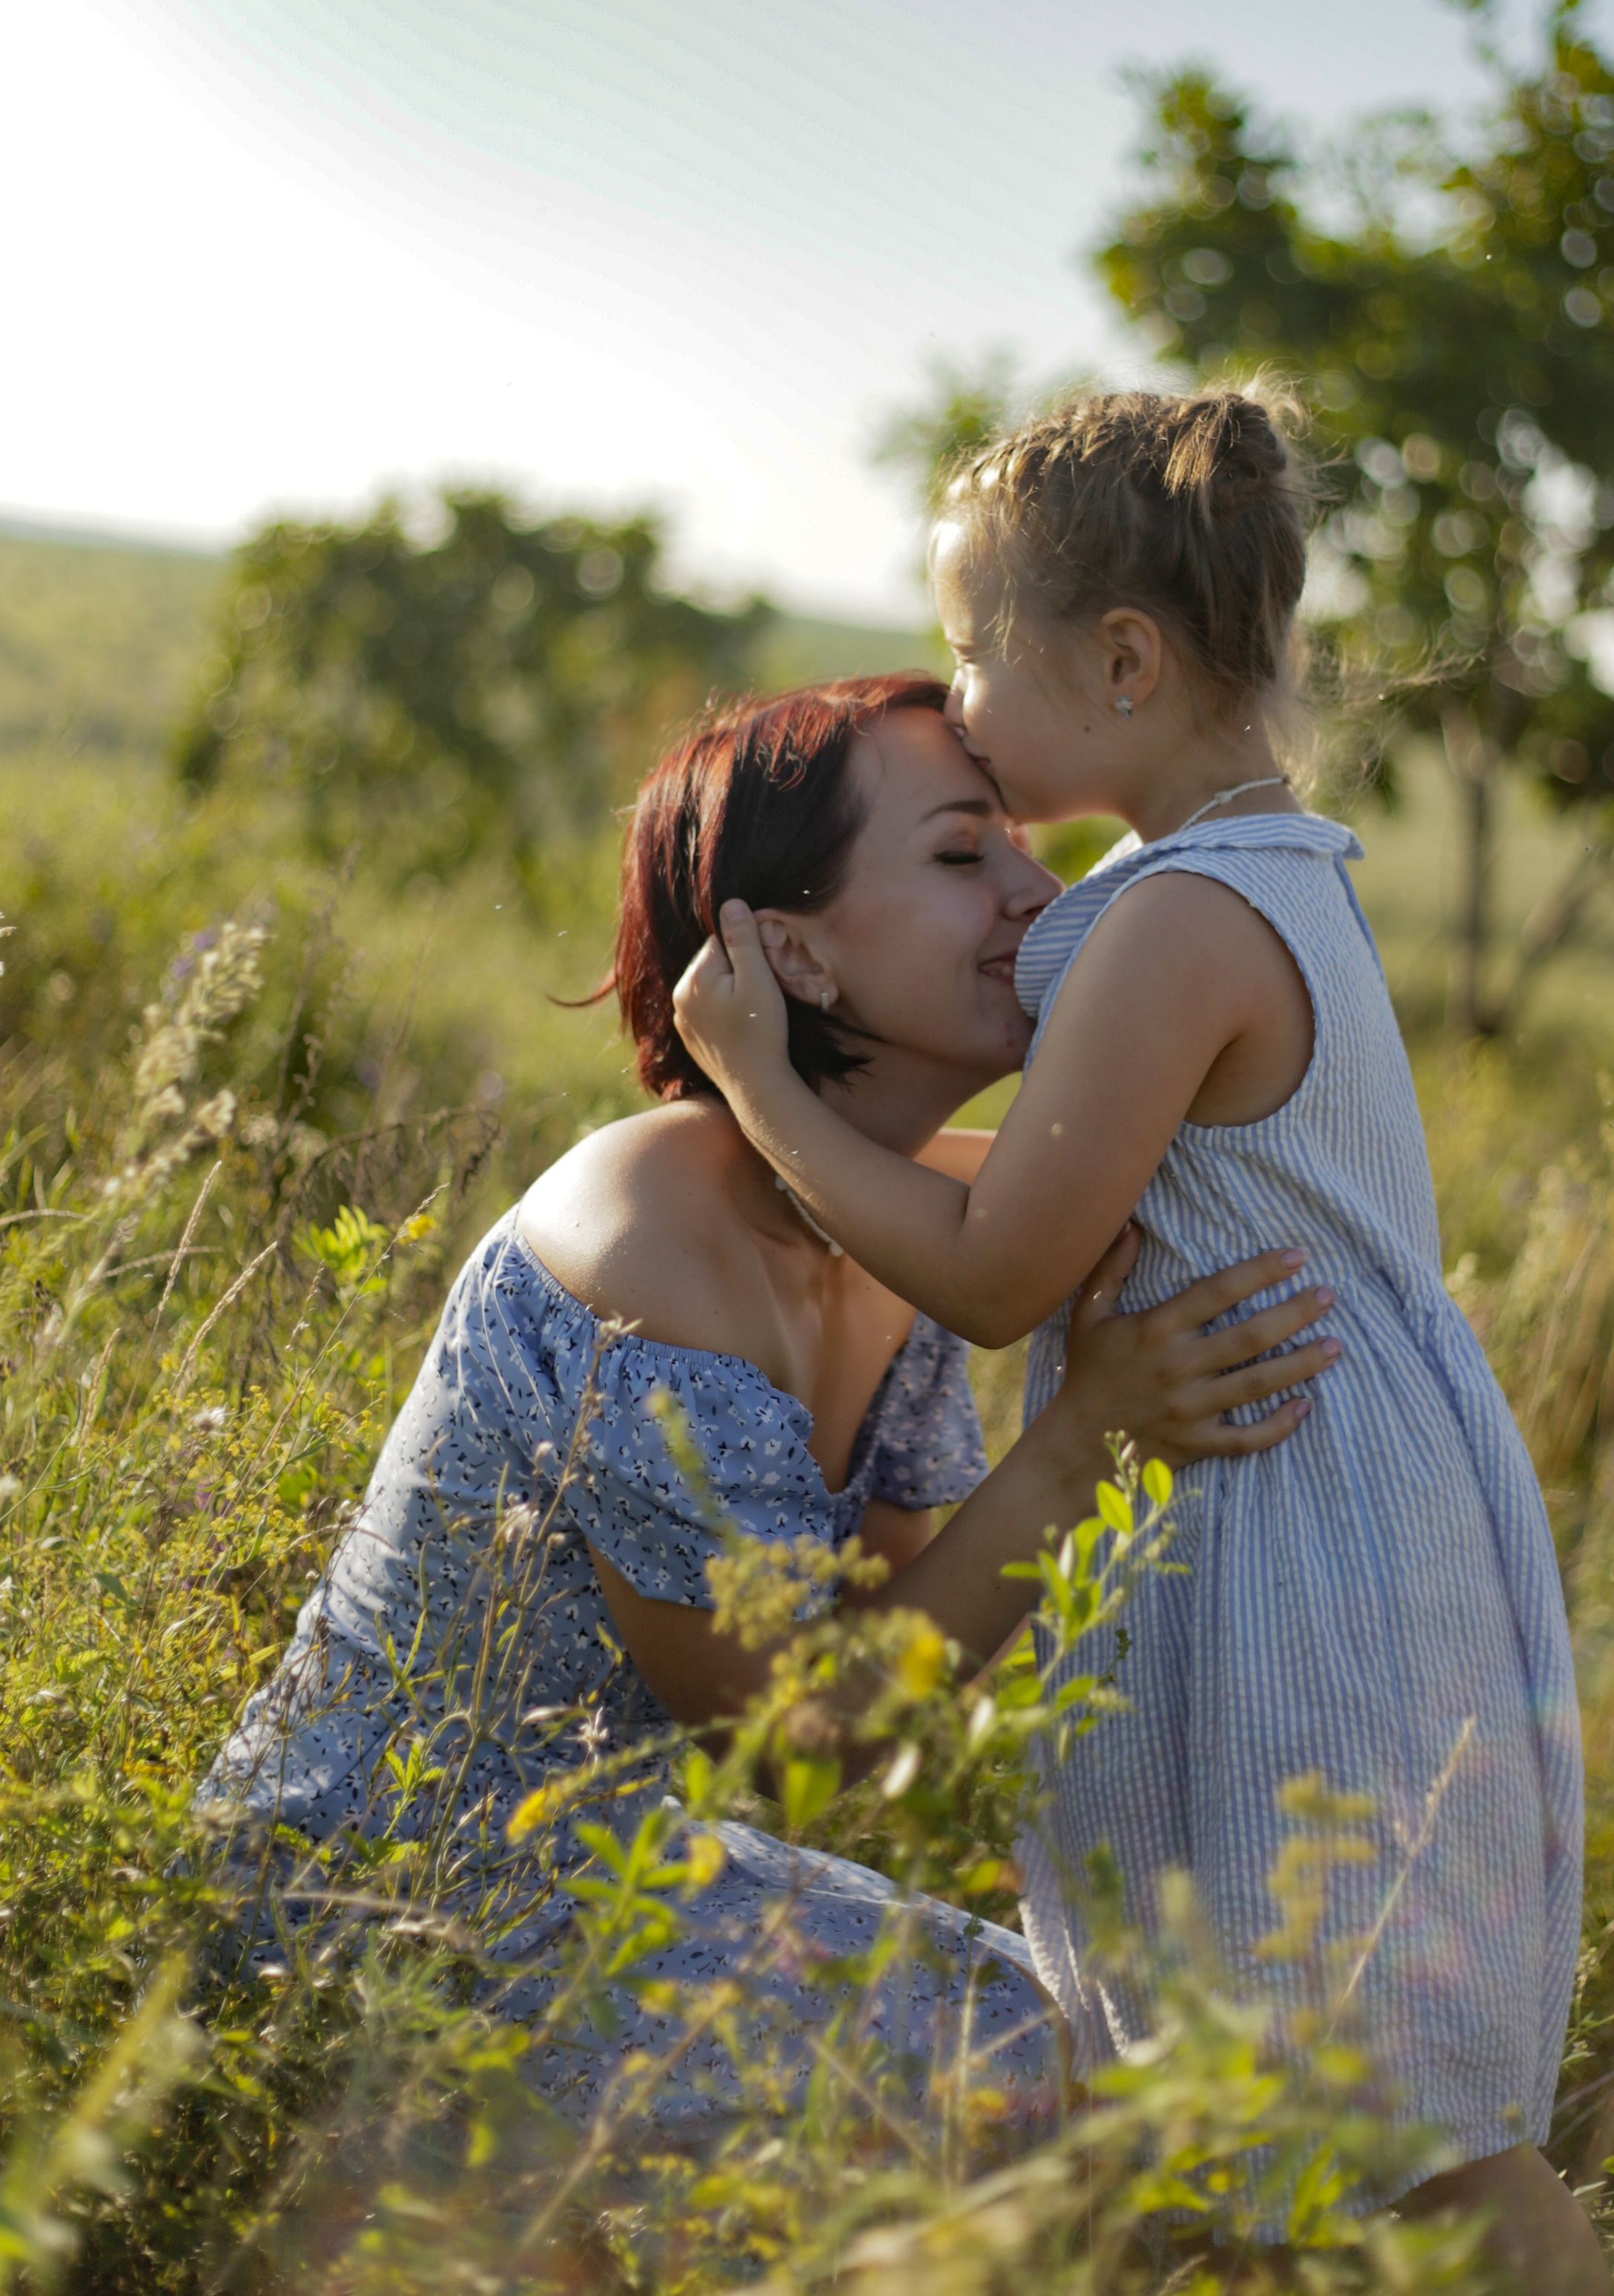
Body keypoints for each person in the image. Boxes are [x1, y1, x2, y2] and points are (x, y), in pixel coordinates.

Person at [673, 393, 1602, 2286]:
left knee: (1391, 2116)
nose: (955, 699)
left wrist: (759, 1086)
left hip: (1296, 1539)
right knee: (1284, 2105)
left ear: (1118, 662)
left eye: (969, 649)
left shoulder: (1167, 924)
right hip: (1319, 1500)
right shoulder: (1275, 877)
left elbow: (996, 1272)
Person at [199, 672, 1337, 2152]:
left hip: (615, 1867)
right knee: (1028, 2086)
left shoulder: (915, 1230)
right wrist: (1083, 1448)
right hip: (370, 1905)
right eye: (961, 852)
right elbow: (798, 1737)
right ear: (789, 950)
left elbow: (898, 1641)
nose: (1035, 892)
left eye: (1018, 843)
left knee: (1106, 2042)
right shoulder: (650, 1240)